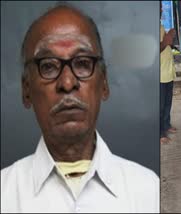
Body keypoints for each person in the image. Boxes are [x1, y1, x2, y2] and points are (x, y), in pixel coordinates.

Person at [1, 5, 159, 213]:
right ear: (26, 89)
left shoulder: (149, 191)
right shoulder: (5, 194)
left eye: (83, 63)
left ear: (104, 84)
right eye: (48, 65)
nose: (67, 82)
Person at [160, 2, 177, 144]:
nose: (161, 9)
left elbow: (164, 45)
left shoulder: (159, 26)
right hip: (159, 75)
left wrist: (169, 39)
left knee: (167, 103)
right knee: (159, 106)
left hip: (167, 72)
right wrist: (166, 41)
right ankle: (159, 133)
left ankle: (166, 125)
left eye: (160, 7)